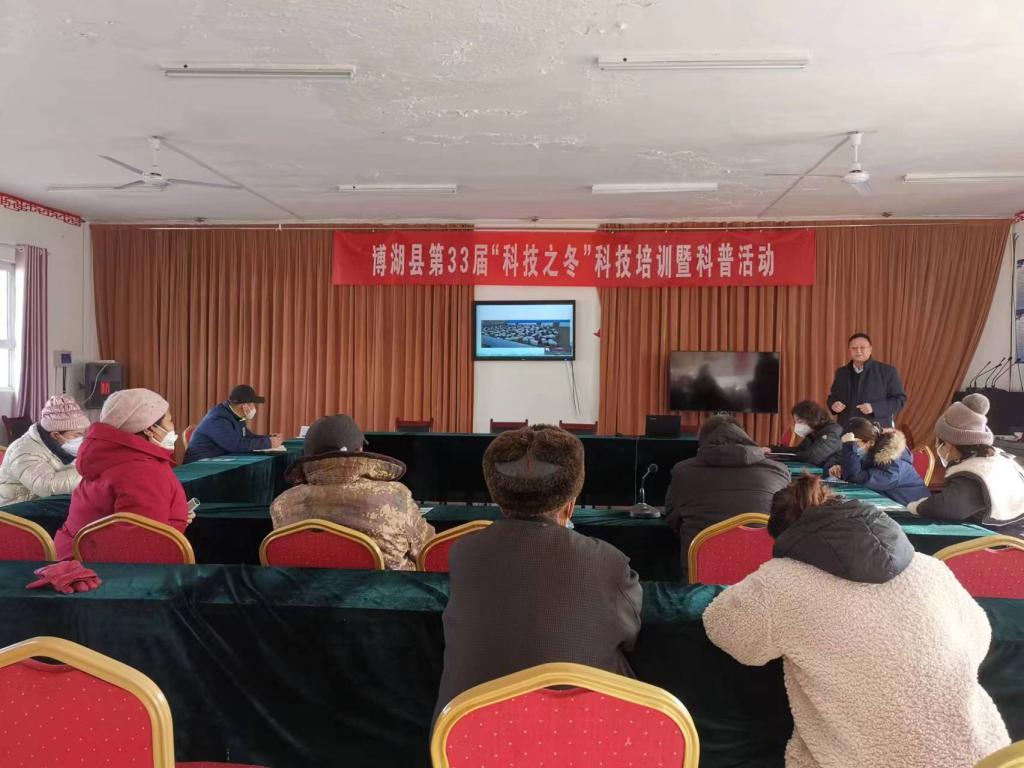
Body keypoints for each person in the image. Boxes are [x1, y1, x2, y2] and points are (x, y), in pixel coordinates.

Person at [703, 474, 1009, 768]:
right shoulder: (931, 568)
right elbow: (979, 638)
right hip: (989, 758)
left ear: (787, 536)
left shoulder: (780, 582)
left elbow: (729, 633)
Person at [435, 425, 641, 719]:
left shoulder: (463, 552)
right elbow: (632, 635)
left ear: (499, 499)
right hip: (582, 735)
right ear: (569, 506)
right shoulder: (608, 562)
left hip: (465, 735)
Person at [270, 414, 433, 570]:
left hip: (306, 590)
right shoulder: (395, 497)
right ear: (360, 450)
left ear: (308, 455)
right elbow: (428, 551)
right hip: (388, 589)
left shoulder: (282, 505)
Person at [55, 389, 191, 559]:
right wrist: (175, 523)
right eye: (170, 421)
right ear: (150, 429)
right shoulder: (144, 471)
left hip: (74, 556)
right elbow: (142, 544)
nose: (173, 428)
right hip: (102, 569)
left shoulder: (109, 456)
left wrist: (176, 515)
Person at [665, 415, 790, 579]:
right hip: (762, 577)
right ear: (744, 437)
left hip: (701, 578)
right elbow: (786, 524)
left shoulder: (682, 471)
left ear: (702, 441)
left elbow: (672, 519)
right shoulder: (779, 471)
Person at [908, 394, 1024, 535]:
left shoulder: (973, 473)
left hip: (1003, 540)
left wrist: (917, 507)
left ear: (949, 444)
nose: (937, 445)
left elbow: (946, 507)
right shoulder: (998, 457)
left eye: (938, 441)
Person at [0, 395, 89, 505]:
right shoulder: (23, 451)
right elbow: (48, 486)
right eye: (77, 435)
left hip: (42, 502)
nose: (82, 439)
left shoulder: (62, 447)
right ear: (56, 435)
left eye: (84, 434)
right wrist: (90, 472)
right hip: (15, 508)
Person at [835, 417, 929, 505]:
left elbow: (857, 478)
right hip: (889, 501)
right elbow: (856, 469)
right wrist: (841, 468)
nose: (854, 448)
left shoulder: (893, 464)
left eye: (855, 445)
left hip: (912, 509)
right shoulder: (872, 450)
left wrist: (849, 447)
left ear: (871, 442)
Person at [184, 384, 283, 463]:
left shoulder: (236, 415)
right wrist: (268, 443)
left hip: (218, 460)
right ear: (244, 406)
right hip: (199, 465)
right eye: (253, 404)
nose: (254, 408)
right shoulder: (218, 419)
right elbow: (236, 445)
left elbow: (247, 437)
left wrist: (269, 437)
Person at [827, 333, 906, 429]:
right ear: (849, 350)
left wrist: (874, 408)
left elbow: (899, 400)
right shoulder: (841, 372)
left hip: (876, 430)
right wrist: (833, 404)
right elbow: (833, 396)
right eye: (854, 348)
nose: (858, 351)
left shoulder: (887, 371)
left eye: (862, 347)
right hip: (845, 429)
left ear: (870, 349)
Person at [772, 400, 842, 469]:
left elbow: (813, 458)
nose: (797, 425)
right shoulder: (814, 431)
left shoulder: (832, 432)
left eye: (800, 421)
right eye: (795, 422)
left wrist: (793, 456)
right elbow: (798, 450)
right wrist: (772, 449)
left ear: (811, 418)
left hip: (829, 474)